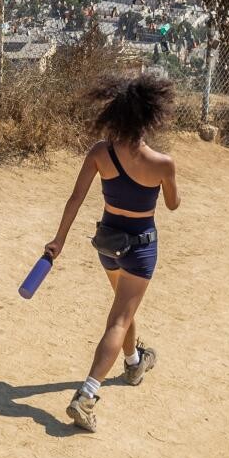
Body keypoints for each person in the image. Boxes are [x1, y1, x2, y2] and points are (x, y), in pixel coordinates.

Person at [43, 73, 181, 432]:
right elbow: (172, 204)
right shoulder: (162, 163)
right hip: (140, 249)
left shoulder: (100, 152)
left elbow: (75, 199)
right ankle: (87, 395)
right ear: (150, 116)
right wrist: (167, 181)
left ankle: (134, 361)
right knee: (119, 318)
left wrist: (58, 241)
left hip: (107, 243)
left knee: (124, 306)